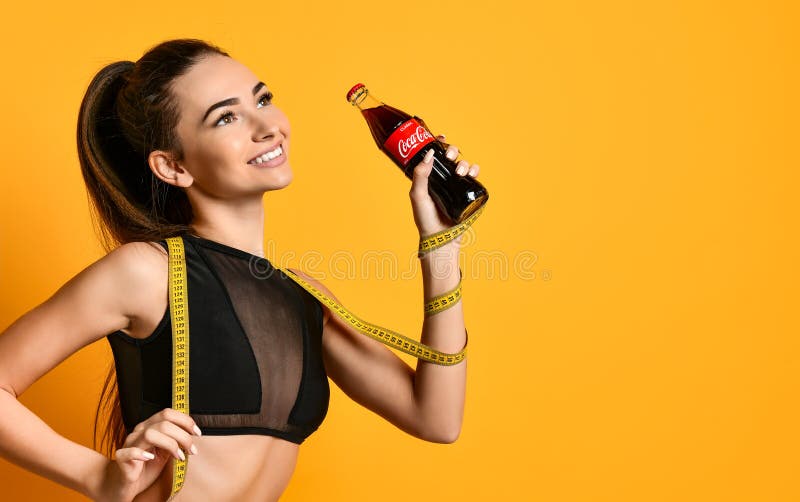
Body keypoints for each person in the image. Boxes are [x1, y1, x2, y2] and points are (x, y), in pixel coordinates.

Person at [0, 38, 480, 501]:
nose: (266, 125)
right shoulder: (148, 272)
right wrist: (96, 476)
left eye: (263, 99)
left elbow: (435, 419)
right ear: (172, 167)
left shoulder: (303, 297)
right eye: (226, 117)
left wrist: (440, 245)